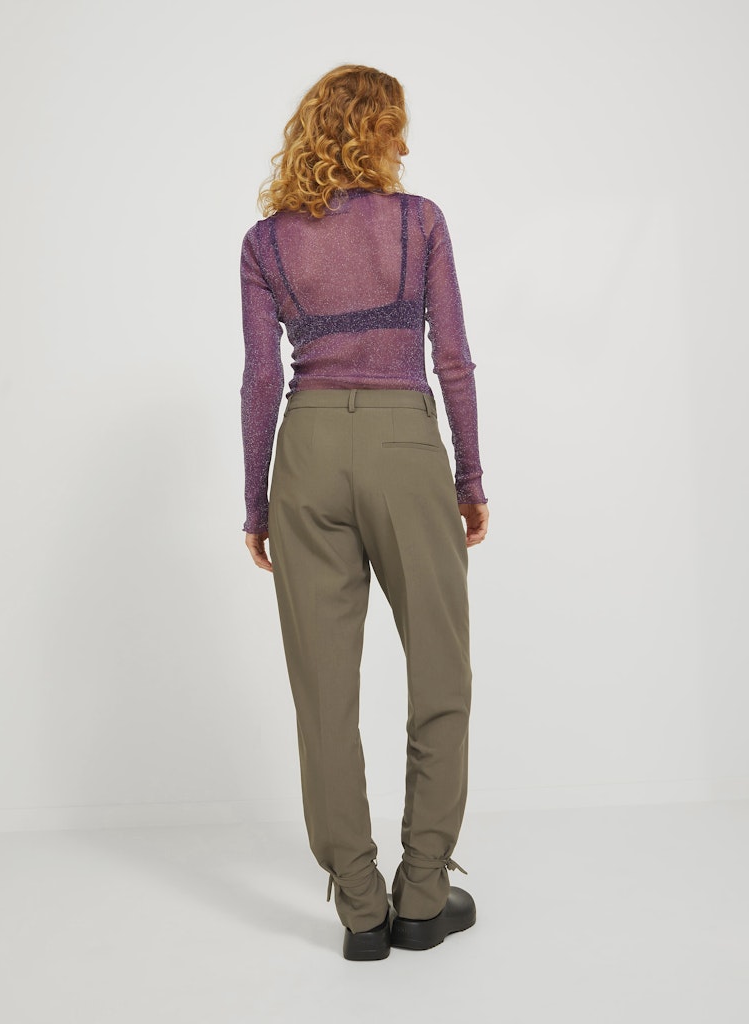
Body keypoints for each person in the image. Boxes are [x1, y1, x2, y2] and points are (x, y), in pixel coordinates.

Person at [239, 64, 489, 960]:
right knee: (441, 674)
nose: (406, 144)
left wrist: (256, 499)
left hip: (305, 452)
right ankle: (421, 894)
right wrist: (469, 478)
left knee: (323, 694)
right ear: (370, 131)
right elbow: (451, 358)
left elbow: (260, 377)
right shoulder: (419, 223)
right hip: (403, 446)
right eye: (396, 127)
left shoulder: (266, 243)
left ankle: (359, 910)